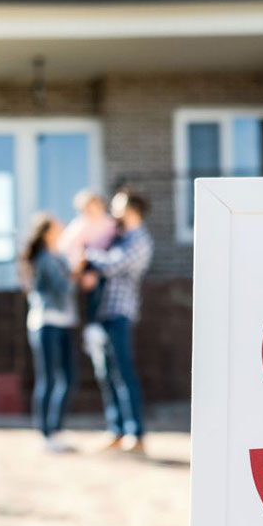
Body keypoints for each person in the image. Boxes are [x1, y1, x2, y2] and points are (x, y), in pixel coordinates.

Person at [84, 189, 153, 454]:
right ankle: (117, 429)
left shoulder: (140, 240)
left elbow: (112, 265)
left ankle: (135, 433)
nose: (114, 212)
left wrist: (88, 252)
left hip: (120, 313)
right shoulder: (120, 238)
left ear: (131, 209)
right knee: (106, 373)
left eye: (118, 206)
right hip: (104, 312)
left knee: (123, 372)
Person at [19, 212, 77, 453]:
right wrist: (79, 270)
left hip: (64, 322)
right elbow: (64, 287)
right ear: (47, 232)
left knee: (69, 378)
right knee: (49, 378)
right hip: (46, 323)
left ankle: (56, 430)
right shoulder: (44, 259)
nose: (62, 226)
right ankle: (45, 433)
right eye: (57, 225)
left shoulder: (59, 257)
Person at [59, 189, 116, 363]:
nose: (92, 211)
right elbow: (67, 247)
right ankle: (92, 329)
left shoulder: (109, 224)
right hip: (87, 265)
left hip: (106, 265)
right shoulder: (80, 226)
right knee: (93, 297)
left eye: (95, 206)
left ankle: (97, 328)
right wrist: (82, 269)